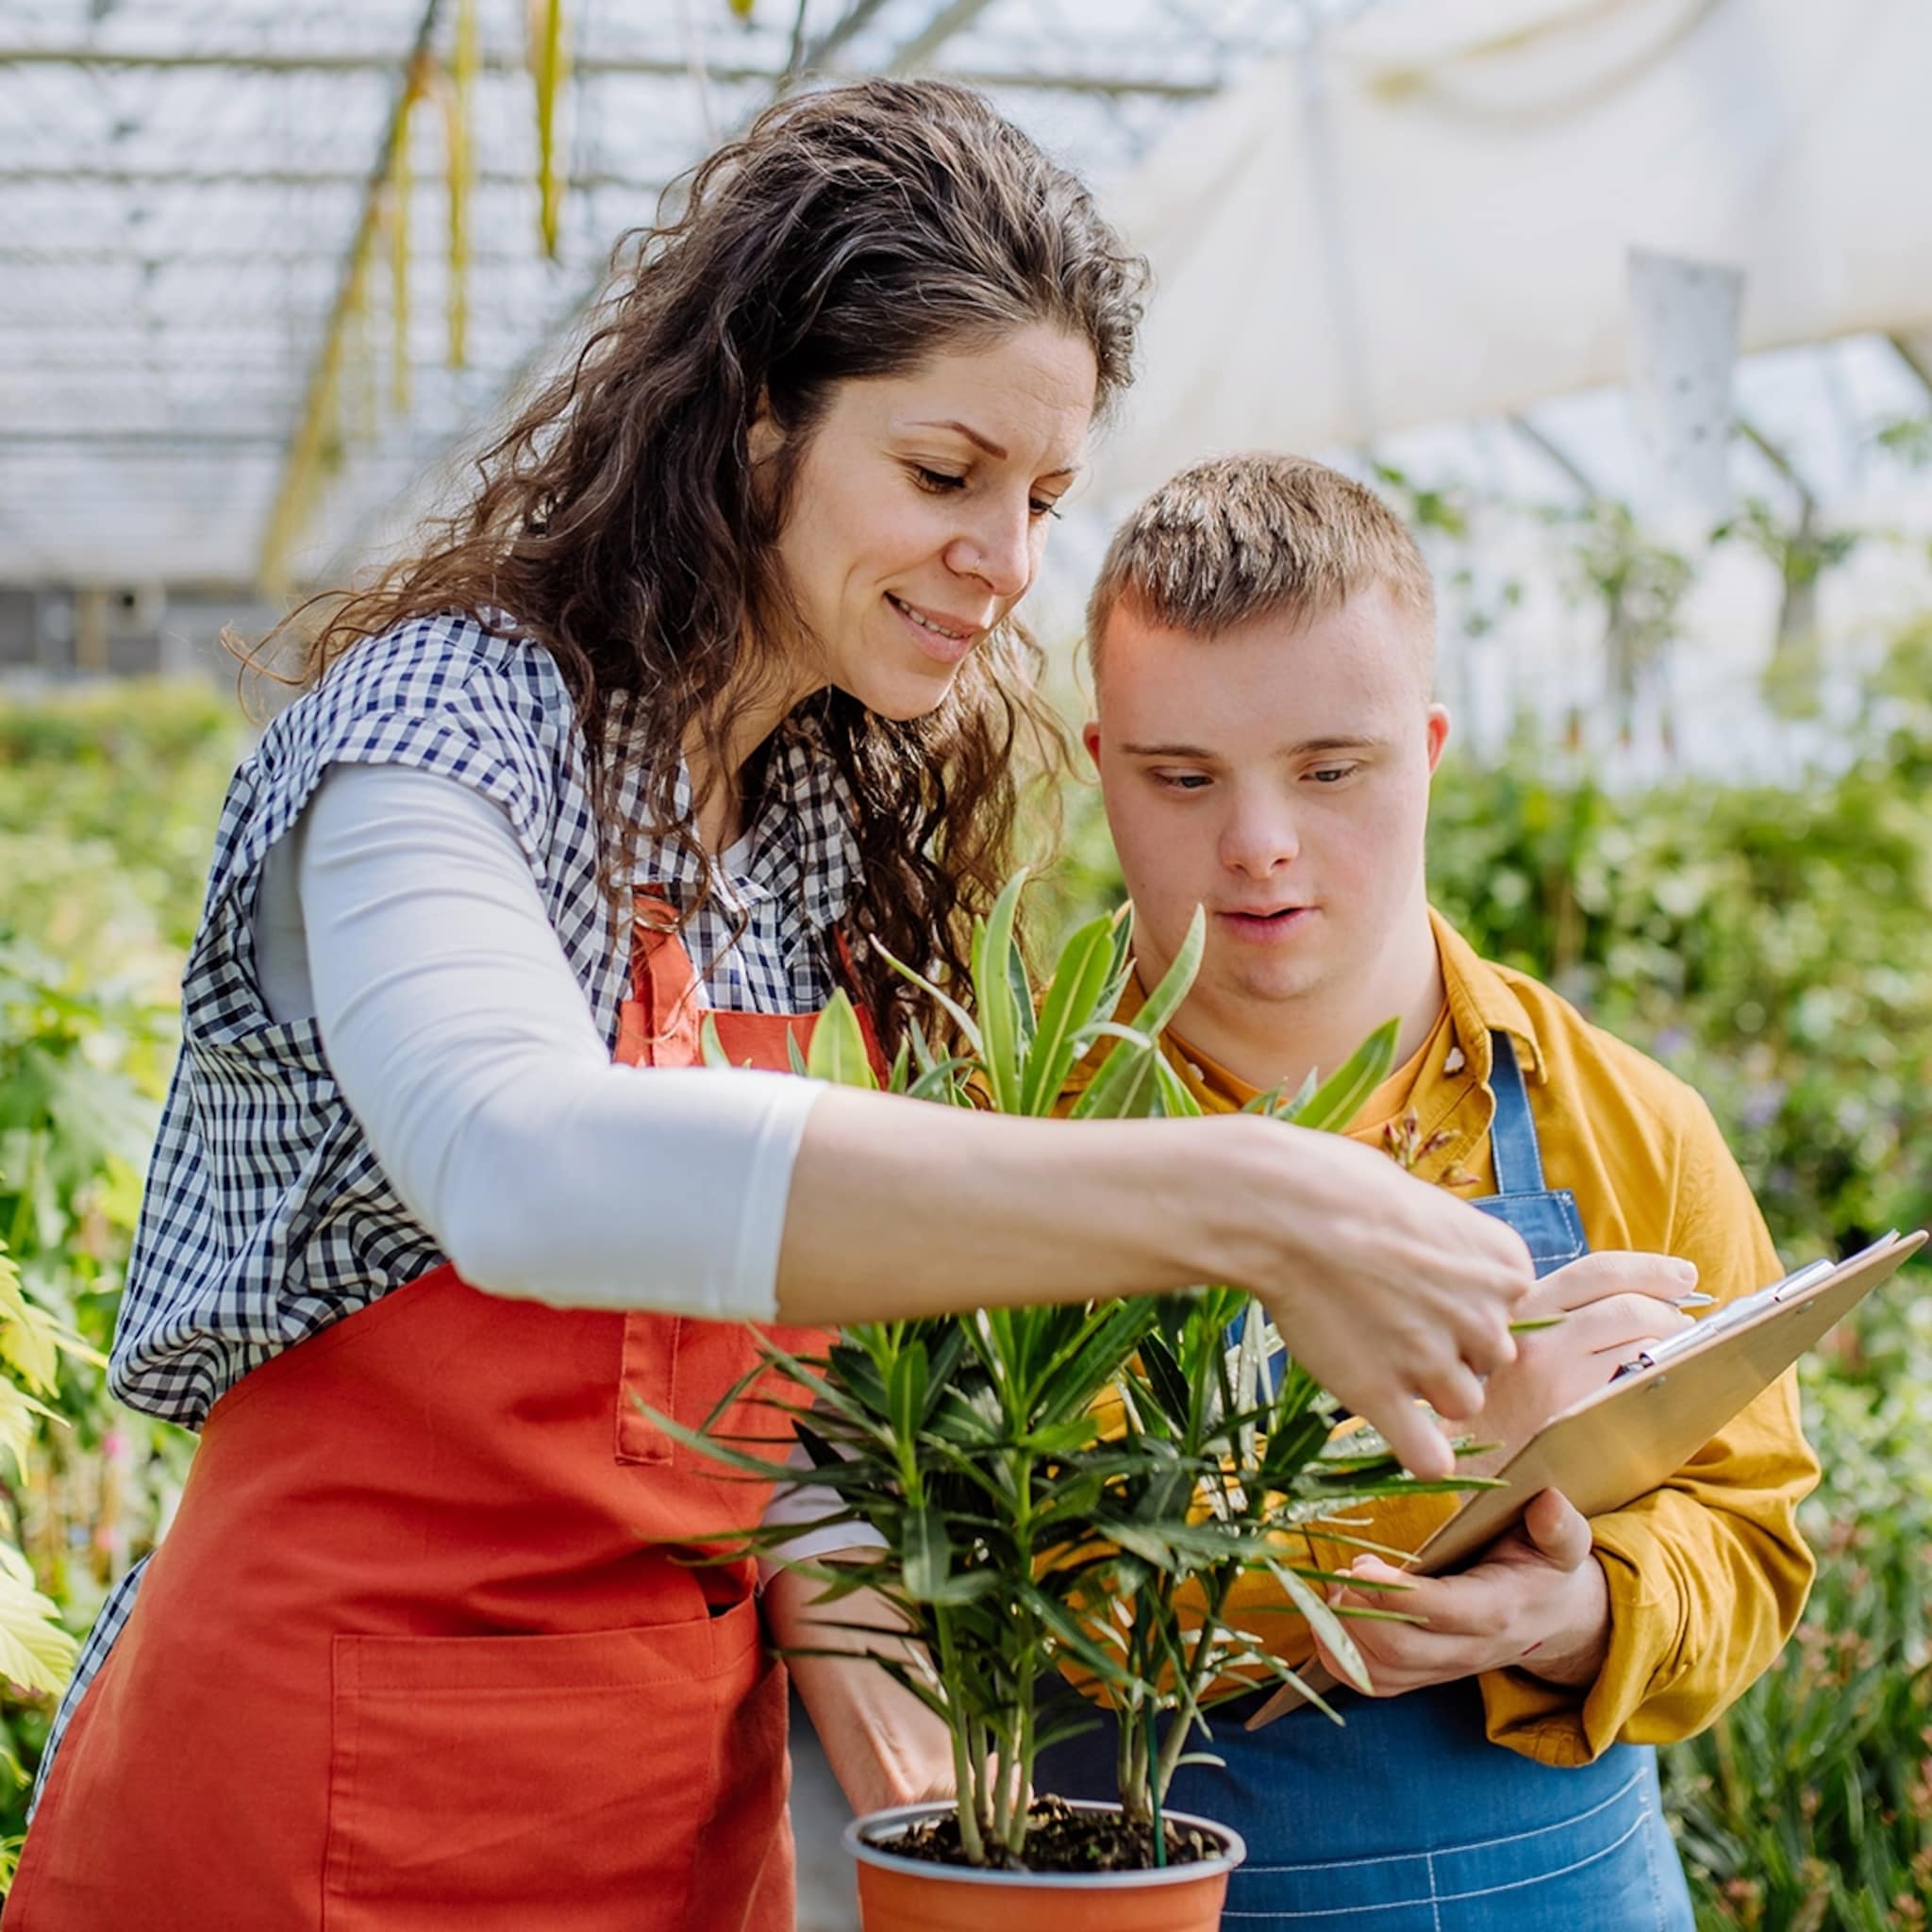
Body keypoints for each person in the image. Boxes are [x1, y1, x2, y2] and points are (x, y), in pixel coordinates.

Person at [8, 93, 1534, 1932]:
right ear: (751, 432)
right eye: (946, 473)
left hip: (671, 1806)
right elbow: (520, 1162)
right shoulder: (441, 732)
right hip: (334, 1788)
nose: (1007, 557)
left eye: (1042, 499)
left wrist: (901, 1755)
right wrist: (1241, 1196)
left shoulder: (818, 813)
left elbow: (741, 1391)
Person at [1032, 454, 1819, 1929]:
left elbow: (1755, 1534)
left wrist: (1585, 1614)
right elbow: (1054, 1586)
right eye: (1183, 778)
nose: (1259, 842)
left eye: (1332, 770)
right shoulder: (1021, 1142)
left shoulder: (1629, 1124)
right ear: (1101, 766)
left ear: (1432, 746)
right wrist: (1457, 1461)